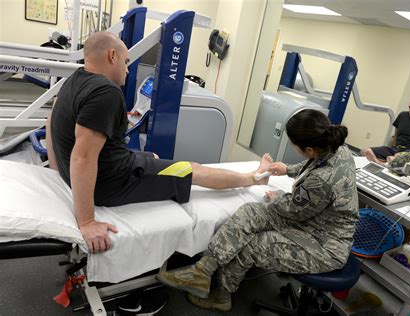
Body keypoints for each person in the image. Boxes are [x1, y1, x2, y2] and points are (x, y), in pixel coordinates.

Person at [46, 32, 272, 254]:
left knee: (152, 156)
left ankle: (153, 166)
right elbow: (83, 157)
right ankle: (254, 178)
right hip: (112, 183)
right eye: (125, 62)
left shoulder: (73, 80)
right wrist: (86, 222)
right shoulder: (106, 92)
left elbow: (51, 121)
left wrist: (58, 171)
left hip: (106, 168)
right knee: (192, 168)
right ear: (112, 56)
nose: (127, 69)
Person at [157, 109, 359, 312]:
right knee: (250, 212)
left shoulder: (321, 180)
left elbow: (293, 210)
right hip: (313, 223)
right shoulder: (337, 147)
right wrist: (288, 169)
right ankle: (202, 271)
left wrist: (277, 197)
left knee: (252, 244)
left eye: (292, 144)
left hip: (324, 245)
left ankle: (222, 297)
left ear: (309, 149)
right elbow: (315, 163)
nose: (291, 145)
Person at [361, 96, 410, 161]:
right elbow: (396, 135)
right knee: (366, 151)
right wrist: (394, 147)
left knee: (397, 157)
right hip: (396, 149)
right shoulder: (403, 115)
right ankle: (381, 163)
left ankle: (383, 163)